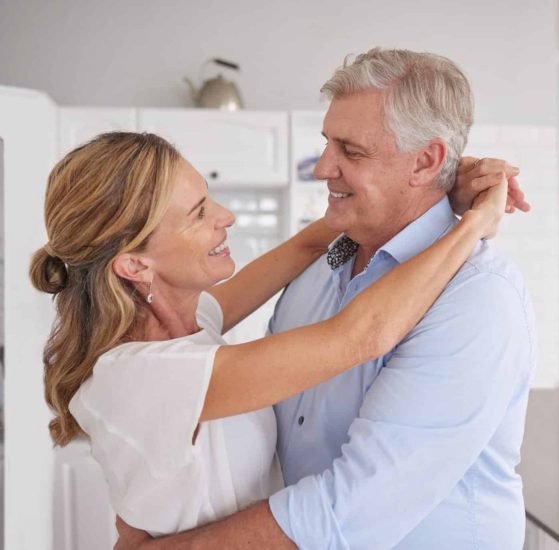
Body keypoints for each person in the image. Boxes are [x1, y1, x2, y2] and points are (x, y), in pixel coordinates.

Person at [115, 48, 536, 550]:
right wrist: (464, 212)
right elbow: (358, 336)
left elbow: (354, 510)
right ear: (132, 266)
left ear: (426, 160)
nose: (322, 168)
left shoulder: (478, 297)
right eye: (327, 144)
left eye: (350, 151)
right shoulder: (316, 272)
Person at [30, 124, 518, 537]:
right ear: (135, 264)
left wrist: (427, 188)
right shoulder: (142, 375)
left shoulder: (190, 322)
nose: (226, 217)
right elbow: (362, 335)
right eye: (199, 214)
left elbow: (308, 244)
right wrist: (473, 223)